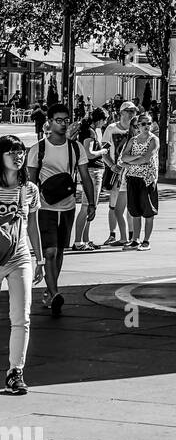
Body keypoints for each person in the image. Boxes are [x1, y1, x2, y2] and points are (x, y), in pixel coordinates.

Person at [25, 104, 95, 317]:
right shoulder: (38, 149)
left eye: (66, 120)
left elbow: (85, 176)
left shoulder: (76, 148)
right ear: (49, 122)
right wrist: (28, 209)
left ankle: (50, 289)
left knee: (61, 250)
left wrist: (91, 203)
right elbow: (31, 181)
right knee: (50, 251)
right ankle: (55, 293)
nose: (63, 124)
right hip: (45, 207)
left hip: (68, 206)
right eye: (58, 120)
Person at [0, 135, 44, 396]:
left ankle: (15, 372)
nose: (18, 157)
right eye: (11, 152)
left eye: (21, 152)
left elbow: (33, 226)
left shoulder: (30, 189)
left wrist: (39, 258)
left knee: (22, 318)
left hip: (20, 259)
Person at [120, 111, 160, 250]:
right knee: (135, 211)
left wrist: (130, 161)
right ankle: (135, 239)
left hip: (147, 179)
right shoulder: (133, 140)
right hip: (133, 178)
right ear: (138, 126)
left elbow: (147, 158)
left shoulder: (153, 140)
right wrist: (135, 160)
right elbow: (123, 157)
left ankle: (146, 241)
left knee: (148, 211)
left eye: (149, 123)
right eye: (143, 124)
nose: (146, 126)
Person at [72, 109, 107, 251]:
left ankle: (85, 239)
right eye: (104, 120)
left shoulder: (88, 131)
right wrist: (102, 151)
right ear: (99, 120)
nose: (105, 123)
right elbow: (89, 153)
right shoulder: (90, 132)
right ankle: (78, 241)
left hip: (92, 171)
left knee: (91, 206)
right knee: (87, 206)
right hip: (92, 171)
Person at [102, 101, 137, 246]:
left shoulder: (136, 128)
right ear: (121, 112)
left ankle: (130, 235)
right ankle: (112, 234)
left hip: (131, 172)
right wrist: (111, 165)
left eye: (133, 111)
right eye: (128, 111)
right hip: (116, 172)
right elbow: (104, 150)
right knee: (114, 204)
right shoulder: (111, 128)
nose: (131, 113)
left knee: (130, 206)